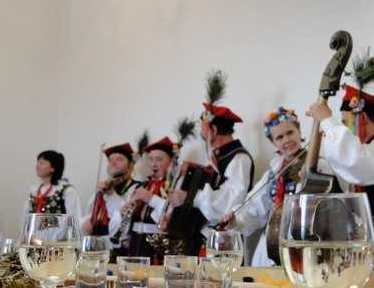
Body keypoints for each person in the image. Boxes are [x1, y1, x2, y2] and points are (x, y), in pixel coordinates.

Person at [306, 67, 374, 269]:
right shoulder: (370, 149)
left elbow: (354, 161)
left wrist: (328, 123)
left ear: (361, 119)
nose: (343, 128)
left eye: (345, 122)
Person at [220, 108, 330, 266]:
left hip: (305, 245)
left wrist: (311, 177)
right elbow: (254, 207)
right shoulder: (273, 173)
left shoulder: (319, 165)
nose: (287, 140)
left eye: (290, 133)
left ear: (299, 131)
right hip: (270, 245)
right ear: (274, 142)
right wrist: (235, 220)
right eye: (280, 137)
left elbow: (326, 206)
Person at [167, 101, 254, 254]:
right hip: (205, 237)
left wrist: (191, 196)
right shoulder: (220, 157)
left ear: (213, 130)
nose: (201, 134)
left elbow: (231, 199)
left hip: (223, 241)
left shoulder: (239, 158)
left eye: (203, 128)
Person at [120, 137, 185, 264]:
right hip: (136, 243)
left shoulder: (175, 186)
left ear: (171, 162)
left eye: (159, 159)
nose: (153, 164)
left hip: (159, 247)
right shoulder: (140, 186)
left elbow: (172, 216)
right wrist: (124, 213)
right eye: (151, 159)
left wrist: (150, 198)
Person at [80, 143, 142, 257]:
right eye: (110, 160)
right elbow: (89, 213)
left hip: (121, 251)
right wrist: (86, 223)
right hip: (96, 249)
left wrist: (112, 195)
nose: (113, 162)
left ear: (130, 165)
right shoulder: (102, 190)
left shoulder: (136, 188)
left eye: (119, 159)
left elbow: (123, 219)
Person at [20, 150, 82, 226]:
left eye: (42, 163)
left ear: (53, 167)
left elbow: (75, 218)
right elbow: (25, 217)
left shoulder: (66, 190)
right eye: (37, 162)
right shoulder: (34, 190)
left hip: (59, 233)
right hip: (35, 233)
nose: (37, 165)